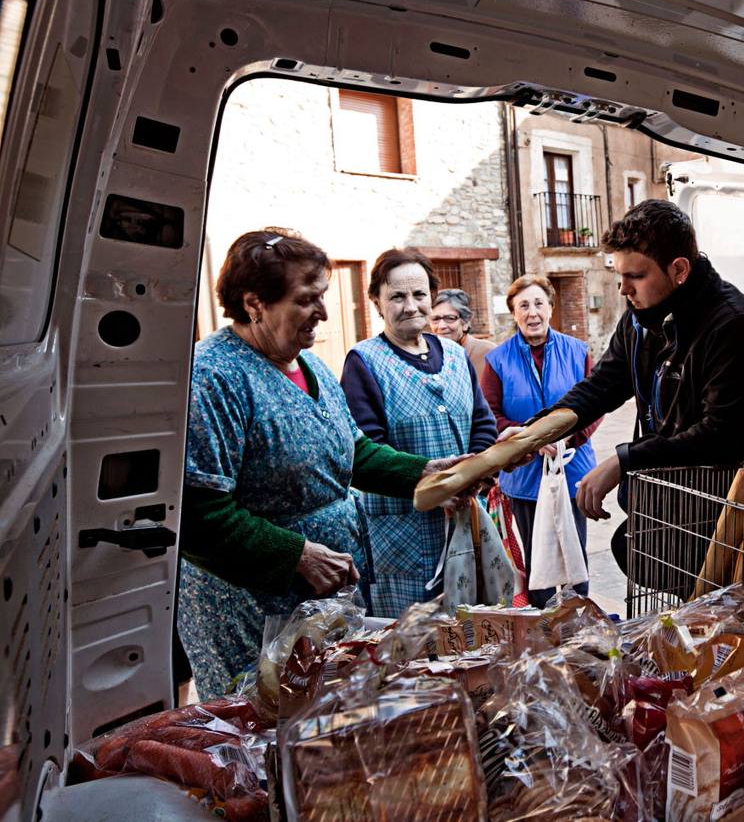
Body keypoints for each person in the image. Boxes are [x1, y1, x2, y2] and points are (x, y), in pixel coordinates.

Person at [178, 229, 466, 698]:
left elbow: (352, 451)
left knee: (321, 725)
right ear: (254, 303)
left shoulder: (307, 365)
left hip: (317, 603)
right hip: (250, 610)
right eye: (306, 300)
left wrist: (422, 472)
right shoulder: (214, 376)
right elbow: (197, 513)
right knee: (262, 729)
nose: (325, 314)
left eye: (323, 297)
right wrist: (296, 554)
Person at [502, 200, 744, 593]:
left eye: (635, 275)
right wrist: (535, 432)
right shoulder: (640, 316)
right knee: (637, 554)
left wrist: (624, 459)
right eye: (619, 274)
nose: (622, 288)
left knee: (705, 601)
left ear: (679, 270)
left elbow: (722, 433)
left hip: (723, 511)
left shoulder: (735, 325)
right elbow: (602, 385)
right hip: (672, 504)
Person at [341, 249, 514, 618]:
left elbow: (481, 423)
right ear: (376, 300)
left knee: (470, 634)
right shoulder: (364, 362)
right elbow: (367, 447)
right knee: (413, 648)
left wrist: (474, 476)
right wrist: (433, 486)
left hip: (465, 521)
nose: (410, 306)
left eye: (419, 294)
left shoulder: (453, 355)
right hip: (402, 534)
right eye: (397, 297)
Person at [479, 274, 603, 607]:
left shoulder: (577, 351)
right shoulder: (498, 359)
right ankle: (540, 626)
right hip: (525, 474)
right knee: (538, 557)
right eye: (523, 306)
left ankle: (580, 621)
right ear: (513, 313)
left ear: (550, 307)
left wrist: (563, 439)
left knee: (574, 550)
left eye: (538, 303)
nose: (532, 312)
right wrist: (532, 441)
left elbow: (596, 405)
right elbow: (490, 415)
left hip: (571, 469)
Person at [428, 287, 494, 377]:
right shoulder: (427, 355)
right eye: (435, 319)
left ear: (466, 322)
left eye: (450, 318)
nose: (441, 326)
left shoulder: (487, 353)